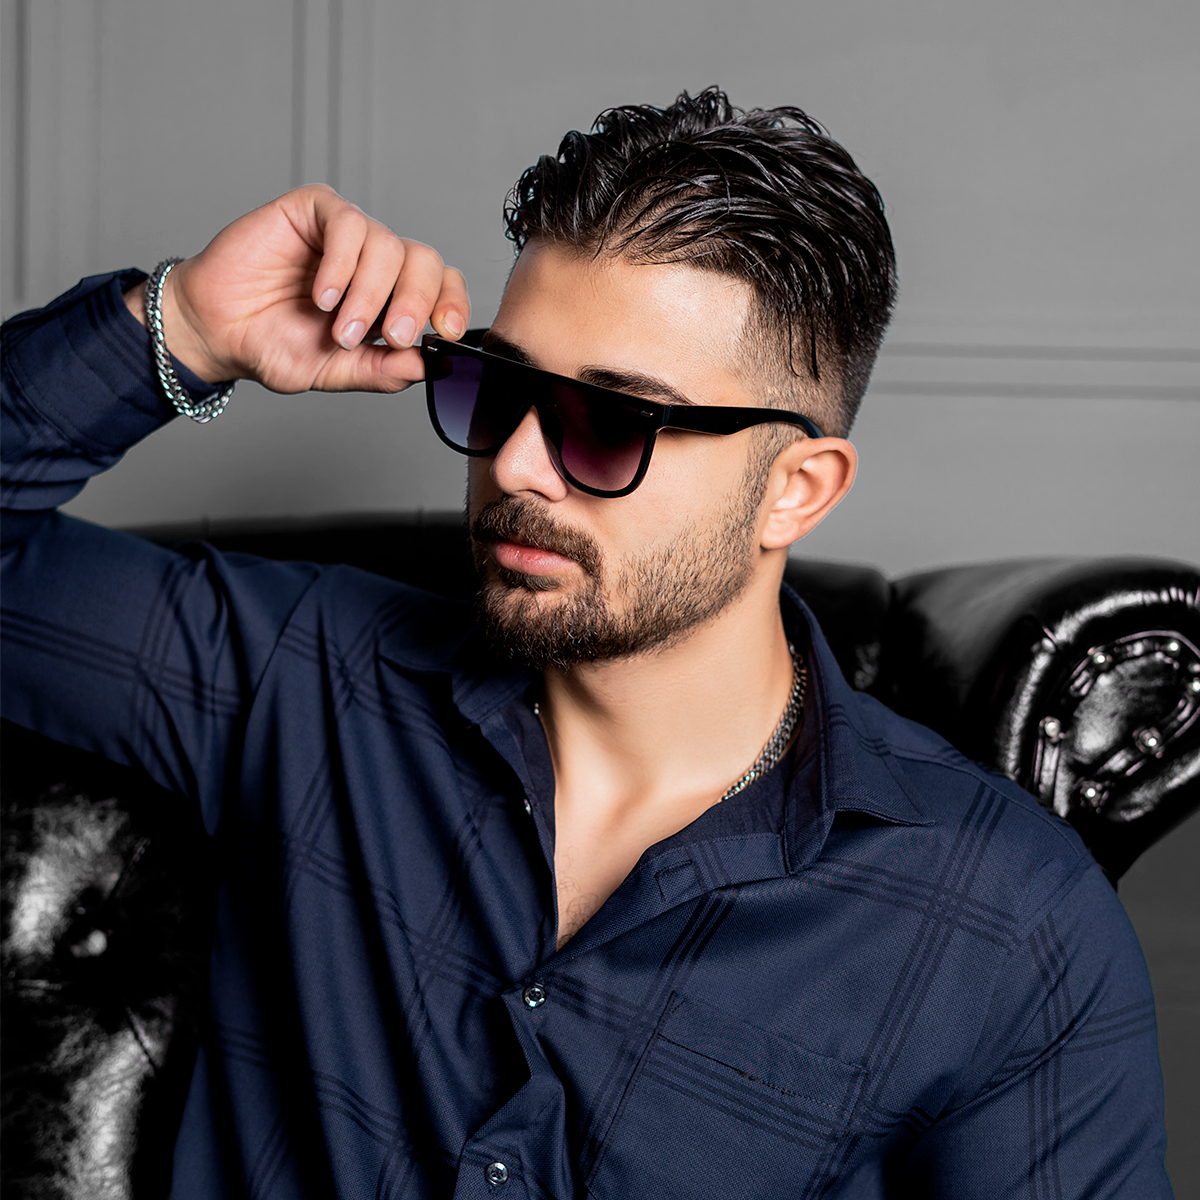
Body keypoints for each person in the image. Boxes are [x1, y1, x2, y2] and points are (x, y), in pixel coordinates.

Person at [1, 89, 1171, 1197]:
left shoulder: (1007, 921)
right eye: (494, 389)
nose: (515, 464)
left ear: (796, 490)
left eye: (609, 423)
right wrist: (182, 328)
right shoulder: (305, 677)